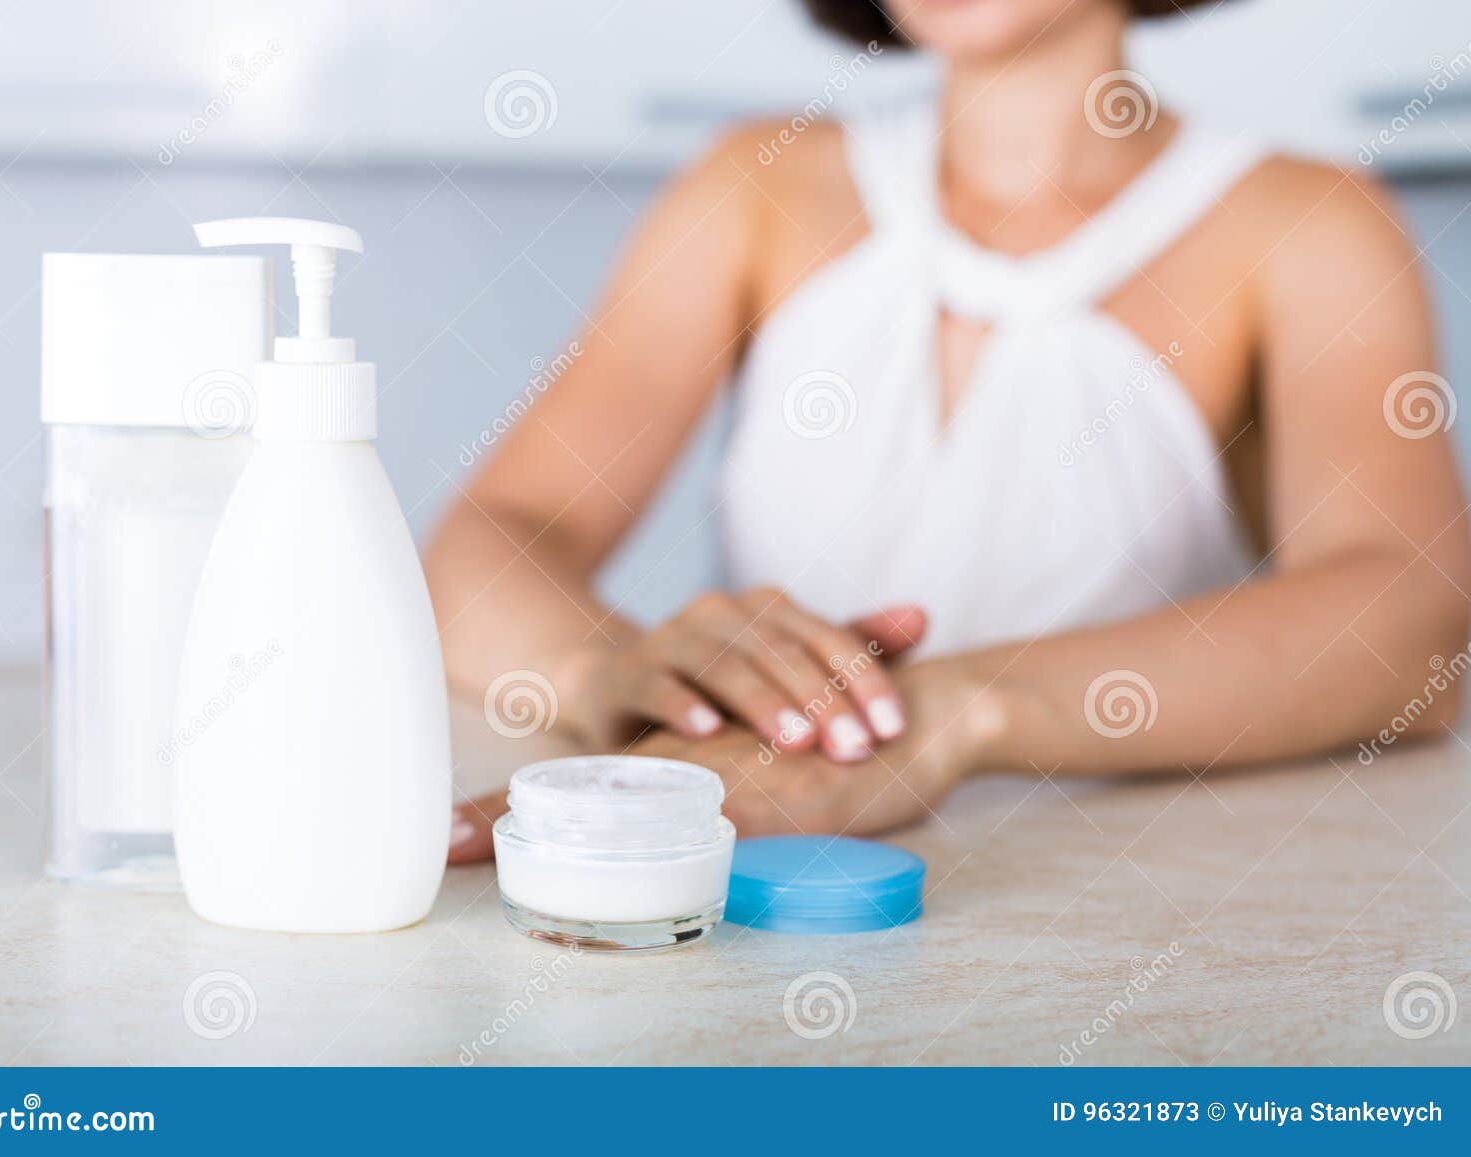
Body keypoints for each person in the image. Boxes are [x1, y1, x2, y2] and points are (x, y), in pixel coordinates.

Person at [425, 0, 1470, 862]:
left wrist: (953, 713)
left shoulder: (1304, 221)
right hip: (758, 865)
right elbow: (492, 538)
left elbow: (1409, 620)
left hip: (1109, 896)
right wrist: (624, 674)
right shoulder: (756, 183)